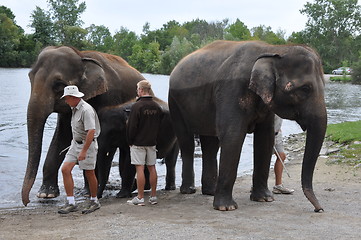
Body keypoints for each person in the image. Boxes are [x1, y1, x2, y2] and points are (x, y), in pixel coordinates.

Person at [58, 85, 101, 214]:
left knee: (89, 173)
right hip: (75, 144)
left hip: (87, 145)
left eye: (66, 98)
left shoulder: (86, 110)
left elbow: (91, 131)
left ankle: (94, 201)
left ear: (73, 97)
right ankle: (71, 202)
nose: (66, 101)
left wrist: (84, 151)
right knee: (65, 169)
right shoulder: (74, 108)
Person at [126, 80, 163, 206]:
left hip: (138, 142)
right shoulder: (157, 106)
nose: (137, 91)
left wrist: (130, 141)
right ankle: (153, 196)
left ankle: (140, 197)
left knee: (139, 168)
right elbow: (160, 124)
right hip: (152, 142)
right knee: (152, 168)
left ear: (141, 90)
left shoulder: (137, 106)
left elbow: (132, 126)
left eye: (138, 89)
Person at [272, 115, 294, 194]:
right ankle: (256, 184)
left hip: (277, 134)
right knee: (263, 159)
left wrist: (278, 130)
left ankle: (278, 185)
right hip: (267, 135)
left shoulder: (279, 106)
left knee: (281, 156)